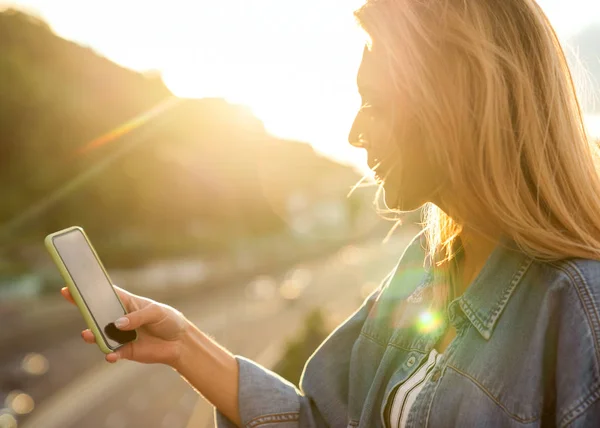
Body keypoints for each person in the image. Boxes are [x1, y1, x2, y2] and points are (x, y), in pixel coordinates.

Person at [61, 0, 600, 426]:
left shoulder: (581, 308)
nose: (353, 133)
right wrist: (183, 347)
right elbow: (318, 421)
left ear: (461, 103)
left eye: (376, 103)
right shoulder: (424, 269)